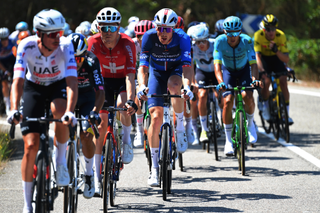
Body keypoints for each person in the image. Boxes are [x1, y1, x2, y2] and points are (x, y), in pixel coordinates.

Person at [6, 9, 78, 213]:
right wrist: (13, 109)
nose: (58, 37)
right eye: (52, 34)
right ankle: (27, 204)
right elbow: (18, 80)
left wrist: (70, 112)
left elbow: (72, 80)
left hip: (57, 86)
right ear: (39, 34)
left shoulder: (65, 45)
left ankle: (61, 162)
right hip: (34, 88)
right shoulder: (26, 45)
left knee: (60, 111)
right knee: (30, 145)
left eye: (60, 32)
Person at [137, 8, 194, 186]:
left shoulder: (183, 38)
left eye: (167, 29)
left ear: (173, 28)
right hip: (156, 73)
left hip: (176, 70)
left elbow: (187, 67)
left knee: (175, 87)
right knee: (155, 116)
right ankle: (154, 169)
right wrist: (142, 86)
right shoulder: (148, 37)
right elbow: (143, 67)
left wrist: (188, 87)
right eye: (160, 28)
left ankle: (179, 128)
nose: (163, 33)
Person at [87, 7, 138, 196]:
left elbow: (130, 76)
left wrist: (131, 101)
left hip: (122, 81)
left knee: (123, 106)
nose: (107, 32)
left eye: (112, 27)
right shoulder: (92, 42)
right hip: (103, 82)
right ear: (98, 27)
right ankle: (97, 175)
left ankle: (125, 140)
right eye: (103, 27)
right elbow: (87, 72)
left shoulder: (127, 43)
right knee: (100, 125)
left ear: (118, 27)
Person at [213, 16, 262, 156]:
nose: (232, 36)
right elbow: (217, 66)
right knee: (227, 101)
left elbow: (253, 64)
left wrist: (254, 80)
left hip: (244, 70)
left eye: (236, 33)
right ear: (224, 31)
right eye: (229, 33)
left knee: (247, 95)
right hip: (228, 71)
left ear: (240, 32)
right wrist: (221, 82)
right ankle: (228, 140)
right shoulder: (220, 41)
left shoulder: (247, 40)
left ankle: (251, 124)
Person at [68, 33, 105, 198]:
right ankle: (59, 167)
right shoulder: (61, 59)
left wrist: (95, 112)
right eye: (71, 59)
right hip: (68, 96)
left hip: (87, 99)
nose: (75, 63)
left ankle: (89, 175)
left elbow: (101, 92)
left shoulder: (91, 61)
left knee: (85, 135)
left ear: (84, 55)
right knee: (60, 127)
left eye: (78, 60)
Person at [253, 14, 293, 124]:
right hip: (264, 60)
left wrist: (276, 51)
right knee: (266, 82)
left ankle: (286, 114)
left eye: (273, 29)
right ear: (264, 29)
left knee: (283, 82)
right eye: (268, 29)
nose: (271, 32)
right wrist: (262, 71)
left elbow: (286, 59)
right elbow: (257, 57)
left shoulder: (281, 36)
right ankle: (265, 106)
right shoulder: (258, 35)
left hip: (276, 58)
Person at [188, 23, 223, 144]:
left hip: (216, 72)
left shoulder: (215, 43)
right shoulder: (192, 47)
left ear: (208, 38)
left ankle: (222, 118)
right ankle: (203, 129)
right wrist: (193, 83)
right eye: (198, 42)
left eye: (203, 41)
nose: (201, 45)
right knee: (202, 95)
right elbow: (190, 67)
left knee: (221, 95)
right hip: (201, 71)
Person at [132, 20, 155, 148]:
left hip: (153, 72)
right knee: (137, 94)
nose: (144, 39)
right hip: (137, 72)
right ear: (137, 37)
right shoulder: (133, 45)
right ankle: (139, 131)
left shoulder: (157, 44)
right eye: (141, 37)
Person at [0, 27, 16, 115]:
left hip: (11, 60)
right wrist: (5, 70)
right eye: (2, 39)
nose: (4, 41)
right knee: (4, 82)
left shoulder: (13, 40)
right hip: (2, 63)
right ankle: (7, 105)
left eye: (6, 38)